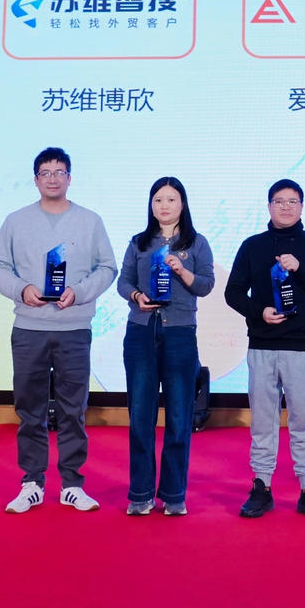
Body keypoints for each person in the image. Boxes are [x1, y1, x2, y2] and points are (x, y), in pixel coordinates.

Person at [0, 147, 117, 514]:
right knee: (29, 409)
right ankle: (31, 483)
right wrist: (21, 290)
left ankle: (72, 484)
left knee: (73, 410)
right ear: (35, 180)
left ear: (70, 178)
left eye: (59, 172)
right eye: (45, 173)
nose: (53, 178)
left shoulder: (90, 221)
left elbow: (108, 268)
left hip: (74, 328)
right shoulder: (16, 221)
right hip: (29, 328)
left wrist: (80, 292)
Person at [224, 179, 305, 520]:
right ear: (269, 206)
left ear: (302, 207)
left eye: (293, 201)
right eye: (279, 201)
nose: (286, 207)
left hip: (303, 346)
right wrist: (258, 311)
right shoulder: (252, 246)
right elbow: (233, 293)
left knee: (304, 420)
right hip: (263, 345)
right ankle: (261, 486)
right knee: (263, 421)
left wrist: (300, 267)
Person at [116, 177, 215, 517]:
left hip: (180, 335)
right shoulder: (139, 242)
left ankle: (174, 495)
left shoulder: (197, 243)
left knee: (178, 416)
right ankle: (140, 494)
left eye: (171, 199)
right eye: (158, 200)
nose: (164, 206)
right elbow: (124, 281)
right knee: (140, 416)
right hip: (141, 332)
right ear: (151, 205)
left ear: (182, 204)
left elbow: (206, 285)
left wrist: (182, 271)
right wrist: (136, 296)